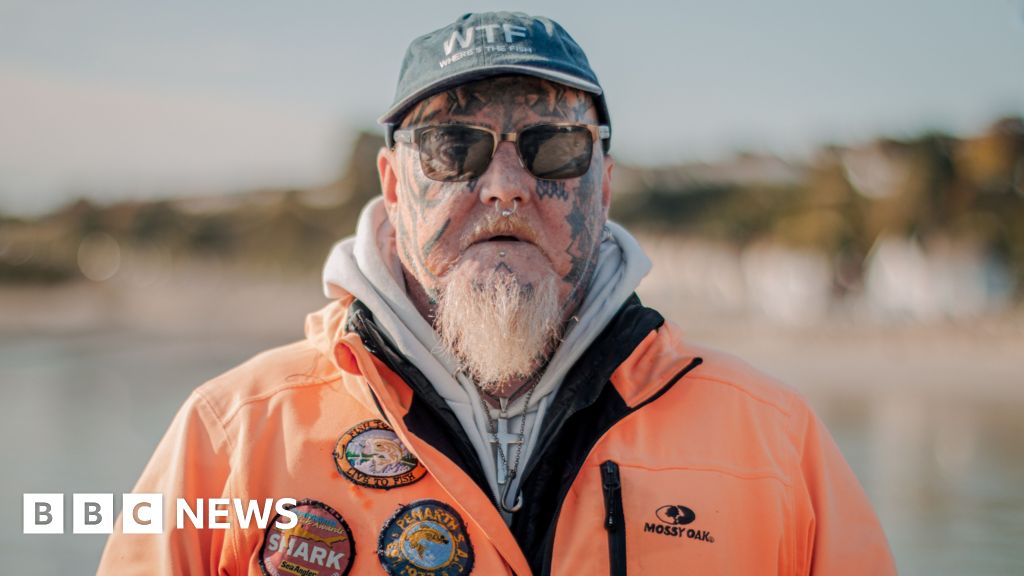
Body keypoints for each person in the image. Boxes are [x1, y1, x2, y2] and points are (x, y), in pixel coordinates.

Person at [99, 11, 896, 575]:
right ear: (393, 183)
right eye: (454, 147)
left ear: (605, 185)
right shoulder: (227, 439)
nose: (507, 187)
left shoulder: (777, 445)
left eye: (553, 149)